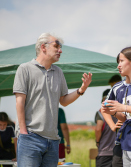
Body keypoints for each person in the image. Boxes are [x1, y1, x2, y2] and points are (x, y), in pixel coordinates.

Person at [13, 33, 92, 167]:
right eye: (56, 46)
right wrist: (24, 132)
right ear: (43, 47)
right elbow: (19, 102)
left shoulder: (59, 72)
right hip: (30, 138)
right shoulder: (24, 69)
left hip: (53, 141)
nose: (60, 50)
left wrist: (81, 89)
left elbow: (64, 101)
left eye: (60, 47)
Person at [95, 89, 118, 167]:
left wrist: (97, 142)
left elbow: (98, 129)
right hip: (118, 151)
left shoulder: (100, 112)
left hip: (104, 151)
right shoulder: (119, 112)